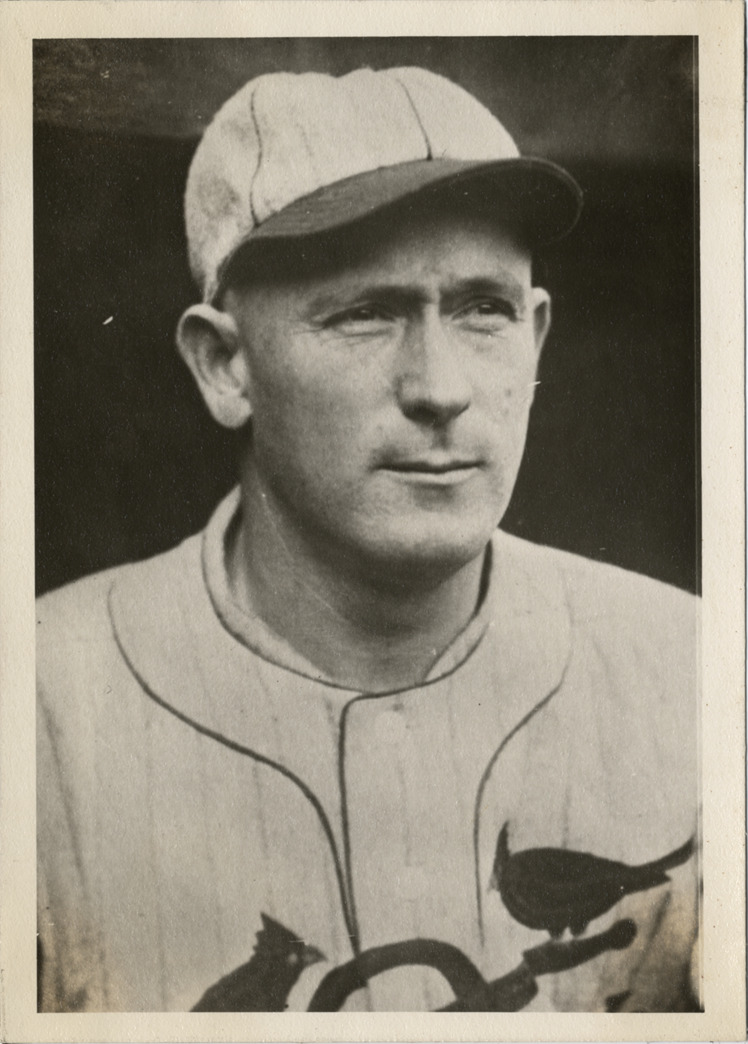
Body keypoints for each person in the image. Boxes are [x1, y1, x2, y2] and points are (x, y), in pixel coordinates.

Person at [36, 66, 699, 1013]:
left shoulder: (698, 670)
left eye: (484, 310)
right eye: (364, 314)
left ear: (538, 336)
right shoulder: (41, 707)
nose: (440, 388)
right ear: (224, 366)